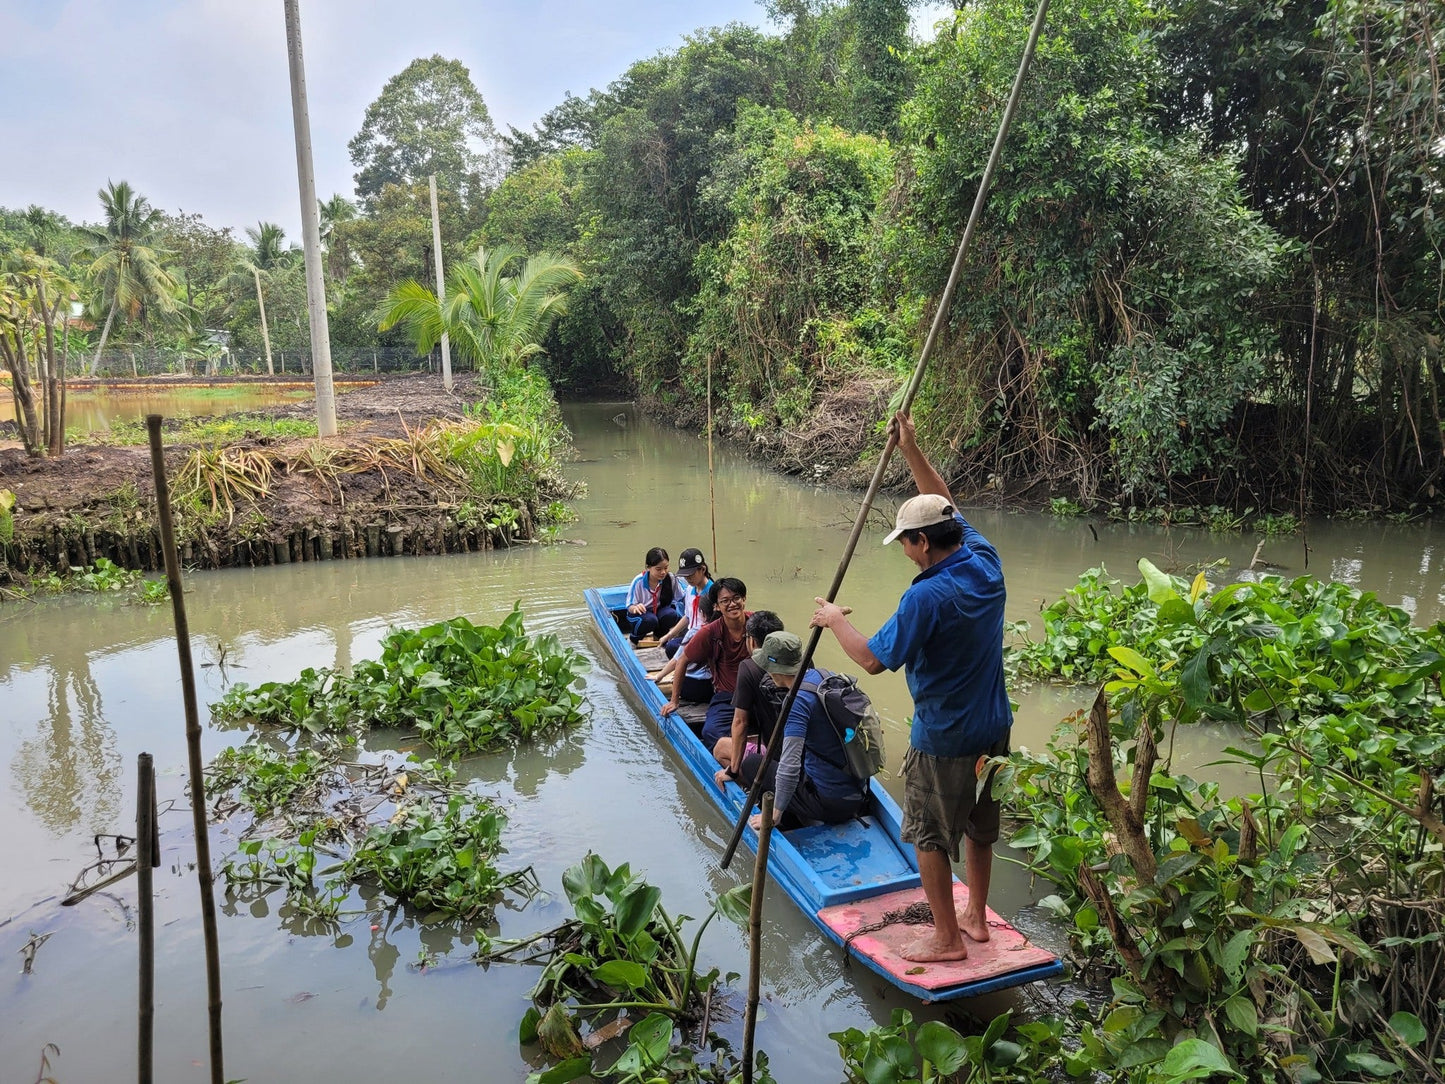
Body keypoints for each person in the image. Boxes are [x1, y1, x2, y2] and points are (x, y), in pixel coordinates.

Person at [810, 411, 1011, 964]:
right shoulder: (983, 560)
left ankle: (947, 939)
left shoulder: (926, 597)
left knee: (926, 834)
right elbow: (943, 500)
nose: (904, 551)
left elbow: (873, 660)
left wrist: (833, 619)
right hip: (994, 726)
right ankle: (974, 918)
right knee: (980, 824)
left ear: (923, 542)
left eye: (905, 542)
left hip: (945, 734)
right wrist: (911, 450)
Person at [716, 631, 867, 830]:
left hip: (831, 804)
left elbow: (790, 764)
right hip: (859, 791)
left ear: (773, 668)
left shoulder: (796, 702)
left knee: (753, 764)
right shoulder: (823, 676)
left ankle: (780, 814)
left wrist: (774, 814)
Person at [664, 577, 751, 742]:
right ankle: (740, 756)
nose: (732, 604)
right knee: (711, 732)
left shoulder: (756, 624)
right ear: (717, 607)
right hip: (728, 696)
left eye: (736, 598)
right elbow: (682, 661)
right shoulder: (710, 632)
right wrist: (674, 700)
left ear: (744, 599)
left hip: (756, 692)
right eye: (725, 601)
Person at [710, 610, 784, 771]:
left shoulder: (749, 667)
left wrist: (734, 771)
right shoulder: (803, 662)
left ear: (751, 641)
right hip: (800, 750)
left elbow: (740, 722)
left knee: (721, 747)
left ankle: (750, 785)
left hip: (779, 757)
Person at [625, 547, 682, 644]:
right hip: (643, 615)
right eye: (658, 569)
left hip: (660, 611)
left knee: (671, 614)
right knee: (650, 620)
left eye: (666, 568)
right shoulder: (638, 581)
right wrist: (635, 607)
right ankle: (633, 640)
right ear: (648, 567)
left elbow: (681, 598)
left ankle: (659, 637)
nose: (663, 572)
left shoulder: (671, 579)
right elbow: (629, 606)